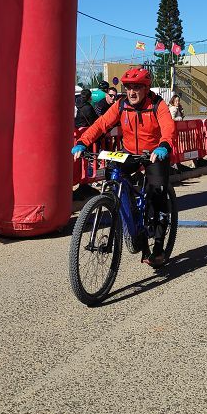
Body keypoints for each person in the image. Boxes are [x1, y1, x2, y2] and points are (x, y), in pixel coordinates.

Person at [72, 67, 176, 267]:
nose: (132, 92)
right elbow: (101, 124)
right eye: (128, 87)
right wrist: (83, 142)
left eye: (137, 87)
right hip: (130, 152)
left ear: (146, 88)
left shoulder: (158, 105)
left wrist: (164, 145)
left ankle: (159, 246)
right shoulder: (121, 105)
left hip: (154, 153)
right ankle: (130, 218)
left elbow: (168, 128)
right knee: (113, 174)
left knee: (157, 193)